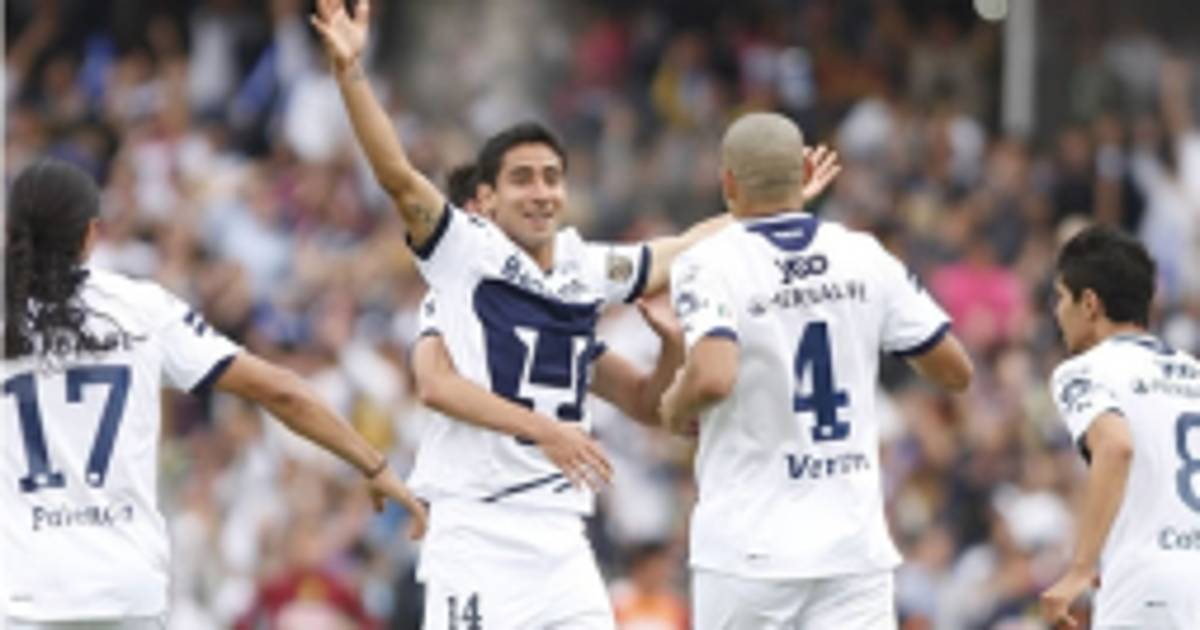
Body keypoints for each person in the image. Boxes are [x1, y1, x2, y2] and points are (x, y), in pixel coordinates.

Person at [0, 159, 427, 629]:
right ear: (90, 233)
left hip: (26, 592)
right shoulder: (143, 309)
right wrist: (374, 465)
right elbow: (281, 392)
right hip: (124, 590)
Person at [659, 112, 973, 629]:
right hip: (852, 552)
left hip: (748, 551)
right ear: (804, 173)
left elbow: (713, 376)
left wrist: (674, 405)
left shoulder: (709, 263)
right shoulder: (862, 255)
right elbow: (955, 371)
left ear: (728, 183)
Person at [1040, 225, 1200, 629]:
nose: (1057, 312)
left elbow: (1114, 447)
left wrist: (1080, 568)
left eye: (1061, 297)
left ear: (1089, 304)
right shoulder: (1195, 373)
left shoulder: (1085, 370)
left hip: (1144, 586)